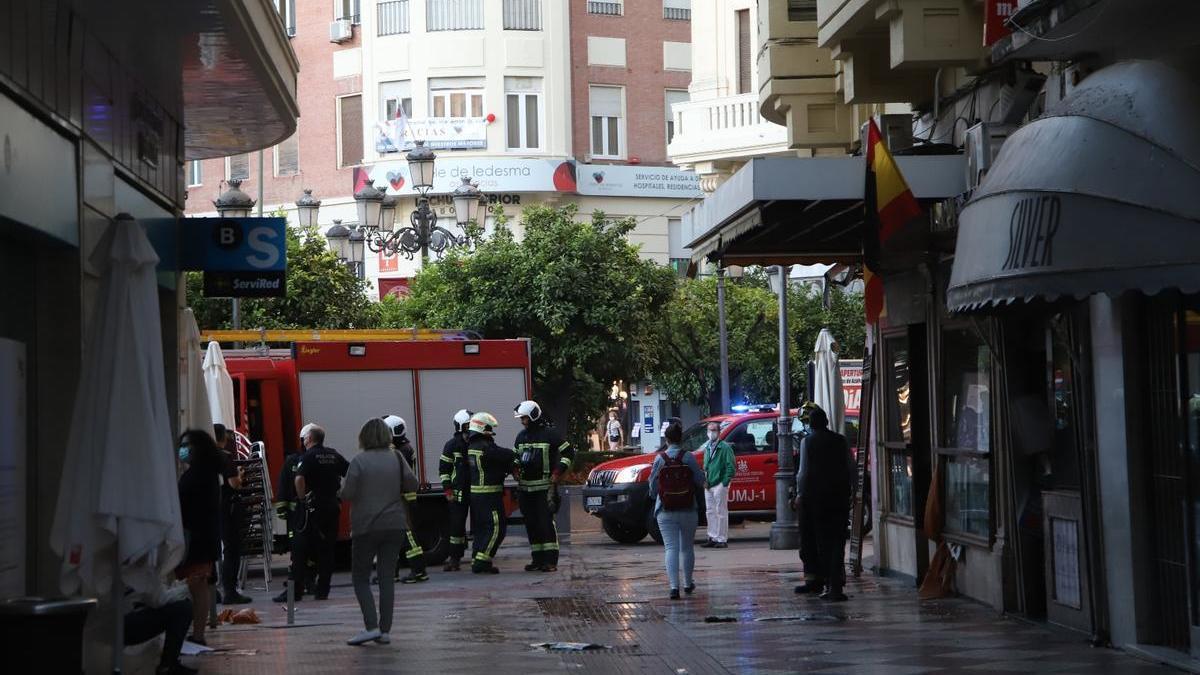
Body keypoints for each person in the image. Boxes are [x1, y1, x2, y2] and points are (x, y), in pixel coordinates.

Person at [339, 417, 420, 646]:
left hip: (366, 526)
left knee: (360, 578)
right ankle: (385, 631)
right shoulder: (396, 457)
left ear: (363, 437)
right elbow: (412, 484)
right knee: (387, 579)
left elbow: (347, 494)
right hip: (395, 524)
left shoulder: (358, 461)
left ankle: (370, 626)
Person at [792, 406, 855, 601]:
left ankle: (827, 583)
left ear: (810, 425)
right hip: (839, 497)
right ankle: (835, 585)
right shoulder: (841, 441)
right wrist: (852, 491)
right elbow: (851, 468)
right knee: (837, 540)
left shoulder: (807, 442)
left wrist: (800, 494)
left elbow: (803, 473)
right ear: (827, 423)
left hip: (817, 499)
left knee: (822, 541)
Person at [513, 400, 575, 573]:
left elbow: (569, 453)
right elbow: (515, 456)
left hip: (544, 488)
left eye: (524, 418)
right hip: (525, 489)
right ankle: (537, 559)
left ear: (533, 416)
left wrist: (558, 472)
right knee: (531, 524)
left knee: (545, 524)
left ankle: (550, 561)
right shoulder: (521, 436)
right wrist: (515, 468)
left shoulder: (550, 435)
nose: (522, 421)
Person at [648, 418, 704, 600]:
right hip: (688, 508)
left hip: (665, 509)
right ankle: (688, 583)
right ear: (681, 439)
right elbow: (699, 480)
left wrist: (656, 496)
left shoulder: (660, 459)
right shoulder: (688, 457)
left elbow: (653, 486)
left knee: (670, 548)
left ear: (666, 440)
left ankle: (674, 588)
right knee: (687, 548)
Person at [175, 429, 222, 645]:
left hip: (198, 539)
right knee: (198, 587)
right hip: (201, 537)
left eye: (187, 445)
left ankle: (198, 634)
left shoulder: (199, 475)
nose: (182, 450)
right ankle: (197, 632)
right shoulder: (205, 472)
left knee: (198, 586)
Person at [294, 424, 349, 600]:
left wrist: (302, 499)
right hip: (332, 506)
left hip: (313, 507)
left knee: (303, 549)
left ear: (309, 439)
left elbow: (299, 479)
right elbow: (350, 471)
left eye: (304, 439)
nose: (303, 442)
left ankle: (298, 589)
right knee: (327, 550)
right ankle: (322, 590)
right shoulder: (333, 454)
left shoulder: (308, 456)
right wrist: (341, 494)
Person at [466, 412, 518, 574]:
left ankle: (478, 558)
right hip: (489, 495)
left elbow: (493, 464)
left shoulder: (473, 446)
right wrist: (515, 457)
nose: (491, 431)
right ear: (483, 428)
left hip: (477, 496)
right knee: (496, 527)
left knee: (482, 529)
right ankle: (482, 561)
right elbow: (504, 454)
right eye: (489, 428)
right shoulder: (484, 447)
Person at [383, 415, 428, 584]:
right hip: (398, 498)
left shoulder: (400, 451)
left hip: (403, 499)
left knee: (408, 536)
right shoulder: (402, 448)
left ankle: (419, 571)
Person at [213, 424, 251, 605]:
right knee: (232, 550)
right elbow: (234, 483)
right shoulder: (225, 457)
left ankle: (215, 591)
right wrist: (241, 475)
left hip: (212, 508)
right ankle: (230, 591)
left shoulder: (203, 457)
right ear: (223, 438)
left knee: (216, 551)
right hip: (228, 507)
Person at [272, 425, 310, 603]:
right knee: (313, 551)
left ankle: (297, 588)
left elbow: (284, 486)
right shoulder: (321, 458)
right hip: (314, 513)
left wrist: (282, 509)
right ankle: (312, 584)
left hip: (297, 516)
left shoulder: (294, 461)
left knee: (298, 552)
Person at [122, 583, 195, 675]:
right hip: (123, 625)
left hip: (110, 623)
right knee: (183, 609)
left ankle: (168, 665)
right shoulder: (139, 572)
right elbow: (159, 600)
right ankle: (167, 666)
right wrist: (188, 587)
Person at [438, 409, 473, 571]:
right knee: (456, 526)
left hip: (476, 491)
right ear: (460, 426)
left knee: (480, 525)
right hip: (458, 494)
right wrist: (448, 491)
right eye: (468, 425)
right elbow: (444, 470)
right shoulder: (452, 445)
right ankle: (455, 559)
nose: (471, 428)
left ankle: (479, 556)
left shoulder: (476, 442)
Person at [700, 421, 735, 549]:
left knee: (721, 511)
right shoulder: (707, 448)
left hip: (719, 483)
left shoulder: (725, 448)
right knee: (710, 511)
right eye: (709, 430)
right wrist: (705, 480)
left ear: (719, 432)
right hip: (709, 484)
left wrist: (724, 482)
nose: (711, 433)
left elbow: (731, 467)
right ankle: (712, 536)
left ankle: (721, 539)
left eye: (714, 430)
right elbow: (706, 466)